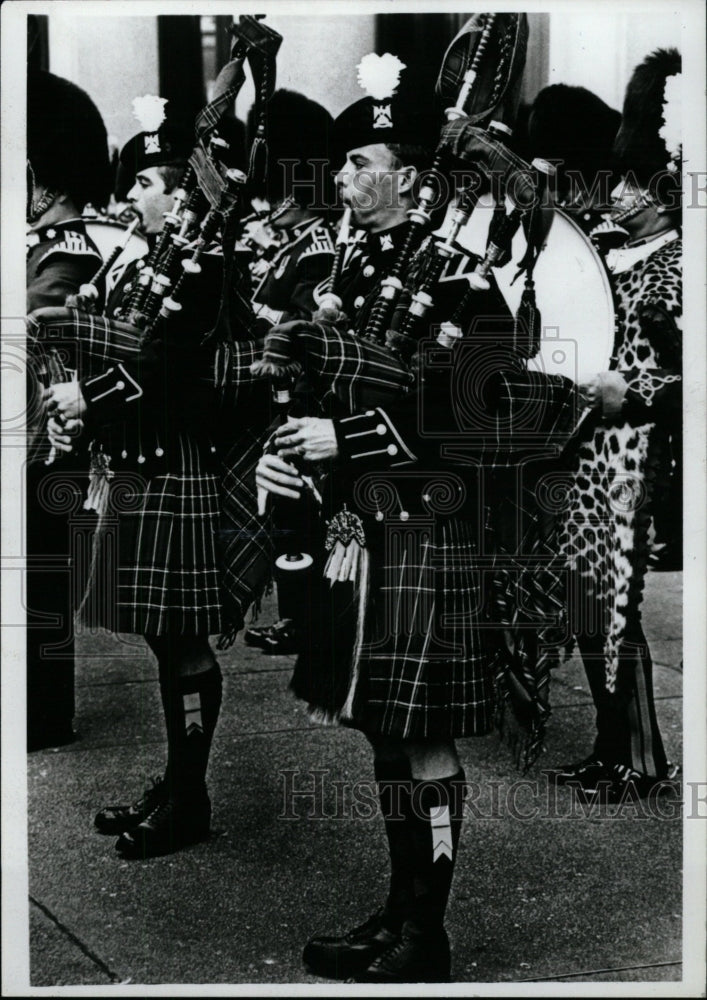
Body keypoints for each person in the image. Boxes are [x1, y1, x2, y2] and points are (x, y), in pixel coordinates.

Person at [254, 54, 534, 984]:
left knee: (422, 732)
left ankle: (429, 935)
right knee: (381, 722)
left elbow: (479, 409)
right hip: (357, 531)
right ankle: (400, 907)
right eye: (337, 166)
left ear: (409, 176)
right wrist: (291, 433)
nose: (338, 178)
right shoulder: (347, 267)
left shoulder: (463, 276)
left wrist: (353, 439)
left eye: (356, 162)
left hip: (424, 526)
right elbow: (317, 382)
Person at [43, 98, 232, 859]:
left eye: (153, 179)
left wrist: (91, 398)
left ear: (186, 190)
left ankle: (189, 796)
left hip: (172, 463)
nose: (136, 194)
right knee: (160, 636)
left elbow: (181, 371)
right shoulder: (142, 256)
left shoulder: (206, 262)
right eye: (137, 179)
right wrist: (78, 413)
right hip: (129, 461)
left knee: (181, 637)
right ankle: (178, 780)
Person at [553, 49, 682, 802]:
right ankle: (609, 746)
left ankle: (639, 760)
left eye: (633, 181)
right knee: (584, 606)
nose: (618, 191)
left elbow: (685, 375)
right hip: (582, 453)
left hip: (633, 452)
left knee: (619, 611)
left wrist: (629, 389)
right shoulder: (608, 254)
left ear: (663, 194)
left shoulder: (674, 268)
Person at [26, 70, 111, 751]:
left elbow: (33, 317)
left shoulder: (70, 249)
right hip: (32, 432)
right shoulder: (40, 244)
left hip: (50, 441)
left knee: (39, 584)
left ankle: (44, 711)